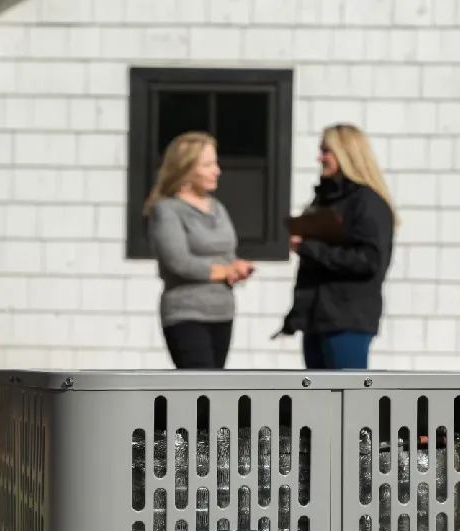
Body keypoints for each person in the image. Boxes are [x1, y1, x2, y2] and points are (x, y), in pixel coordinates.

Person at [276, 123, 396, 369]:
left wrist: (310, 248)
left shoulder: (368, 202)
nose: (320, 158)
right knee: (318, 400)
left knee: (349, 399)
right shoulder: (325, 199)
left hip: (348, 318)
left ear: (346, 153)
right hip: (317, 318)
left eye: (326, 151)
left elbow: (369, 260)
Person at [144, 132, 254, 369]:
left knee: (214, 390)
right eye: (208, 164)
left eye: (215, 163)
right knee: (198, 392)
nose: (217, 171)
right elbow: (178, 262)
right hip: (186, 314)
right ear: (185, 168)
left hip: (222, 312)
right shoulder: (167, 210)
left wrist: (237, 268)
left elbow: (227, 253)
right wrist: (225, 271)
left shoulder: (217, 207)